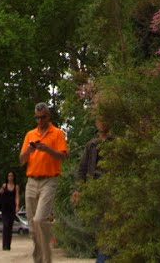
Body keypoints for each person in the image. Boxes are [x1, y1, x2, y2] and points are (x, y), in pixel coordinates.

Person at [19, 102, 69, 263]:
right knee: (33, 228)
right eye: (37, 118)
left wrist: (47, 149)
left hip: (49, 180)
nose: (40, 121)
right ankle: (39, 259)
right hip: (32, 181)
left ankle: (46, 259)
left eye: (43, 117)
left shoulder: (57, 133)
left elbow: (63, 156)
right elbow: (21, 160)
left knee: (40, 219)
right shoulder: (30, 134)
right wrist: (29, 149)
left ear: (49, 116)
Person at [74, 116, 112, 263]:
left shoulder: (115, 143)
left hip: (111, 191)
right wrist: (79, 189)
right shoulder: (91, 145)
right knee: (101, 228)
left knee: (108, 227)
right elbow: (82, 169)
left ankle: (103, 259)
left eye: (104, 119)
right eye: (99, 120)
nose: (102, 123)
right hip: (95, 192)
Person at [0, 171, 21, 251]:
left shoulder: (16, 186)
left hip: (12, 208)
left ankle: (8, 245)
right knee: (5, 225)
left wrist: (17, 206)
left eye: (11, 176)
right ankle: (4, 245)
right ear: (7, 177)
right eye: (9, 176)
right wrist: (1, 192)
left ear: (14, 177)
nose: (10, 177)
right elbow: (0, 194)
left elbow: (17, 196)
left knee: (10, 226)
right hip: (5, 207)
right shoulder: (4, 185)